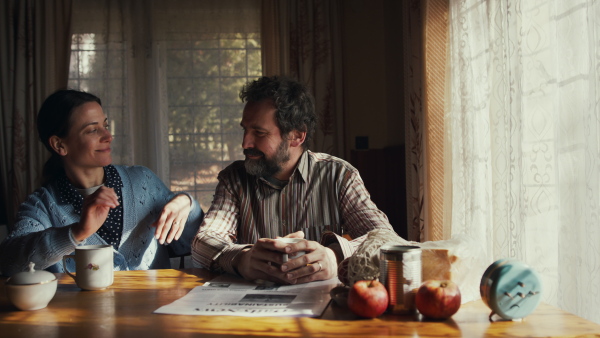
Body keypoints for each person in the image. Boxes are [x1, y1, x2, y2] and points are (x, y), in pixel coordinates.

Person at [191, 76, 395, 285]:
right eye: (245, 129)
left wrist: (335, 256)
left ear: (296, 136)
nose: (245, 142)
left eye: (259, 133)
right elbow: (203, 242)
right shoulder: (234, 179)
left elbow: (387, 239)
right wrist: (240, 258)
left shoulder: (339, 176)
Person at [0, 89, 204, 276]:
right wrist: (77, 232)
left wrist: (187, 203)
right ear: (59, 145)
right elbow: (8, 262)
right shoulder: (42, 204)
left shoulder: (143, 181)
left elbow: (195, 242)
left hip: (154, 312)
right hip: (82, 316)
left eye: (105, 126)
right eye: (92, 130)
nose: (108, 136)